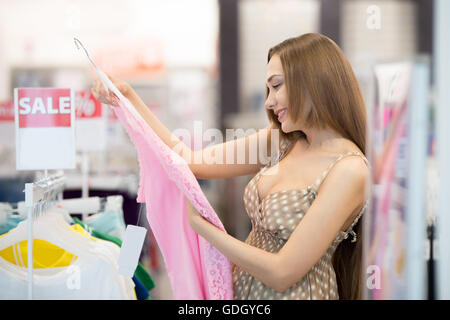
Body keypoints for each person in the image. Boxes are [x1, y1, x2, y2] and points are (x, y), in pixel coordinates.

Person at [91, 33, 370, 300]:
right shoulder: (281, 142)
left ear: (312, 82)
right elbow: (188, 160)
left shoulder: (348, 169)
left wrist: (206, 229)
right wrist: (128, 98)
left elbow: (283, 272)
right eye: (267, 89)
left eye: (276, 86)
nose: (269, 102)